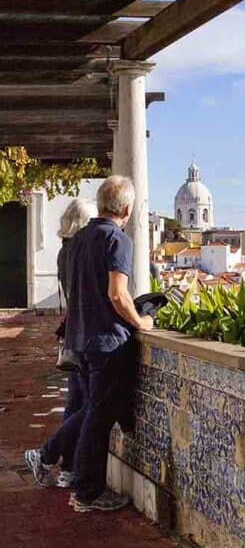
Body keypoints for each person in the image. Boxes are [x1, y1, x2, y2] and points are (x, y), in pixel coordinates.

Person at [25, 175, 153, 512]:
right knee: (97, 417)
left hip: (80, 339)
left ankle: (54, 458)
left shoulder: (78, 240)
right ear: (127, 207)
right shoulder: (118, 240)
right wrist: (141, 322)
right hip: (107, 343)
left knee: (91, 410)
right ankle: (86, 492)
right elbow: (117, 294)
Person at [55, 199, 97, 488]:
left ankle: (66, 465)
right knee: (92, 404)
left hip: (73, 334)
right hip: (85, 335)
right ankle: (49, 453)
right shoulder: (80, 252)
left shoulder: (63, 252)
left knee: (75, 401)